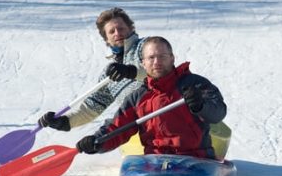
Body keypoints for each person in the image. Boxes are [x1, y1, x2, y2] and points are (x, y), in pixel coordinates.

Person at [75, 36, 227, 159]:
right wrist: (97, 142)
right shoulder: (137, 98)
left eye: (162, 56)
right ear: (144, 63)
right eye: (151, 57)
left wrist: (200, 106)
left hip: (194, 159)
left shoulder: (195, 84)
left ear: (172, 58)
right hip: (156, 163)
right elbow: (117, 128)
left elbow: (218, 112)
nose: (157, 62)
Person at [38, 8, 148, 131]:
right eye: (111, 31)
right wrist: (64, 121)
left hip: (159, 115)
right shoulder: (109, 74)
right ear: (106, 39)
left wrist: (131, 71)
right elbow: (92, 108)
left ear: (131, 29)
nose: (117, 33)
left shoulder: (146, 46)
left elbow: (160, 69)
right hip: (134, 130)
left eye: (121, 28)